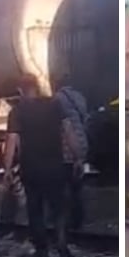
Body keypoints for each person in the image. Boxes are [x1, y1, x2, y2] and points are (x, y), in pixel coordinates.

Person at [4, 74, 73, 257]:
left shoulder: (17, 111)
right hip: (55, 165)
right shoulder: (55, 105)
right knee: (58, 207)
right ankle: (61, 242)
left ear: (20, 90)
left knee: (35, 210)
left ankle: (41, 250)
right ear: (37, 87)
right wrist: (77, 157)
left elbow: (12, 141)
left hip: (31, 168)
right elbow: (68, 131)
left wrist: (8, 168)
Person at [54, 85, 90, 230]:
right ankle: (78, 219)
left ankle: (68, 221)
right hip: (81, 140)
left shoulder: (58, 100)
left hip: (67, 147)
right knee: (76, 186)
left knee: (64, 187)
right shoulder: (79, 97)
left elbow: (66, 129)